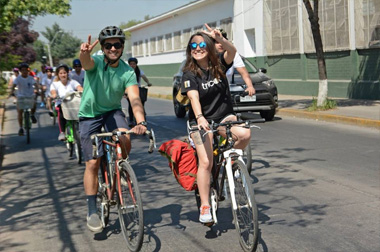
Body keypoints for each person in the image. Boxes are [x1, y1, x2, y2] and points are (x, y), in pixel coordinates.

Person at [180, 24, 251, 224]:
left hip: (224, 116)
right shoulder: (189, 74)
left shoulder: (219, 64)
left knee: (244, 134)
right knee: (205, 162)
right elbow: (193, 98)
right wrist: (200, 117)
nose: (197, 48)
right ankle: (204, 206)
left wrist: (220, 38)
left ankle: (229, 163)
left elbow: (233, 51)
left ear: (210, 46)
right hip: (201, 121)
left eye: (202, 44)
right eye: (193, 45)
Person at [79, 26, 147, 232]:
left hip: (112, 112)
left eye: (117, 44)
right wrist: (84, 54)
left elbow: (134, 99)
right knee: (92, 162)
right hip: (89, 115)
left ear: (122, 46)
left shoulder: (127, 70)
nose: (113, 48)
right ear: (103, 47)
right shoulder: (97, 62)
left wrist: (141, 122)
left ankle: (120, 167)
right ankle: (91, 210)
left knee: (125, 137)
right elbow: (86, 63)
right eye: (108, 45)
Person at [214, 29, 255, 96]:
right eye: (217, 42)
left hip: (224, 93)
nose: (220, 44)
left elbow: (244, 73)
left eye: (222, 41)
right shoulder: (207, 56)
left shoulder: (233, 55)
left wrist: (250, 86)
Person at [50, 64, 83, 141]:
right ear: (58, 74)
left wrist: (82, 90)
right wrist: (54, 95)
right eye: (61, 73)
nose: (63, 75)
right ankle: (62, 132)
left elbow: (79, 87)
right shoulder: (55, 84)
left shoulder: (72, 82)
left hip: (73, 103)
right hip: (61, 103)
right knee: (60, 111)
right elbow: (53, 92)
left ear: (68, 73)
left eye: (64, 73)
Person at [10, 63, 38, 136]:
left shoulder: (31, 78)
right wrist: (11, 92)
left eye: (26, 70)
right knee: (20, 111)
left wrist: (37, 90)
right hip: (21, 96)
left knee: (34, 104)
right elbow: (14, 85)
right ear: (20, 71)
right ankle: (21, 128)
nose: (25, 72)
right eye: (23, 70)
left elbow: (35, 84)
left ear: (28, 71)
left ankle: (32, 115)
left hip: (30, 96)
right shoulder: (18, 79)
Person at [126, 57, 152, 127]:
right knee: (131, 105)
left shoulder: (139, 71)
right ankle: (131, 120)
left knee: (141, 105)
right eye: (131, 64)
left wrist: (148, 82)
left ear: (136, 64)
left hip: (138, 90)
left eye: (134, 64)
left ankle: (142, 119)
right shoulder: (126, 71)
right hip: (129, 90)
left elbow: (144, 77)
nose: (132, 65)